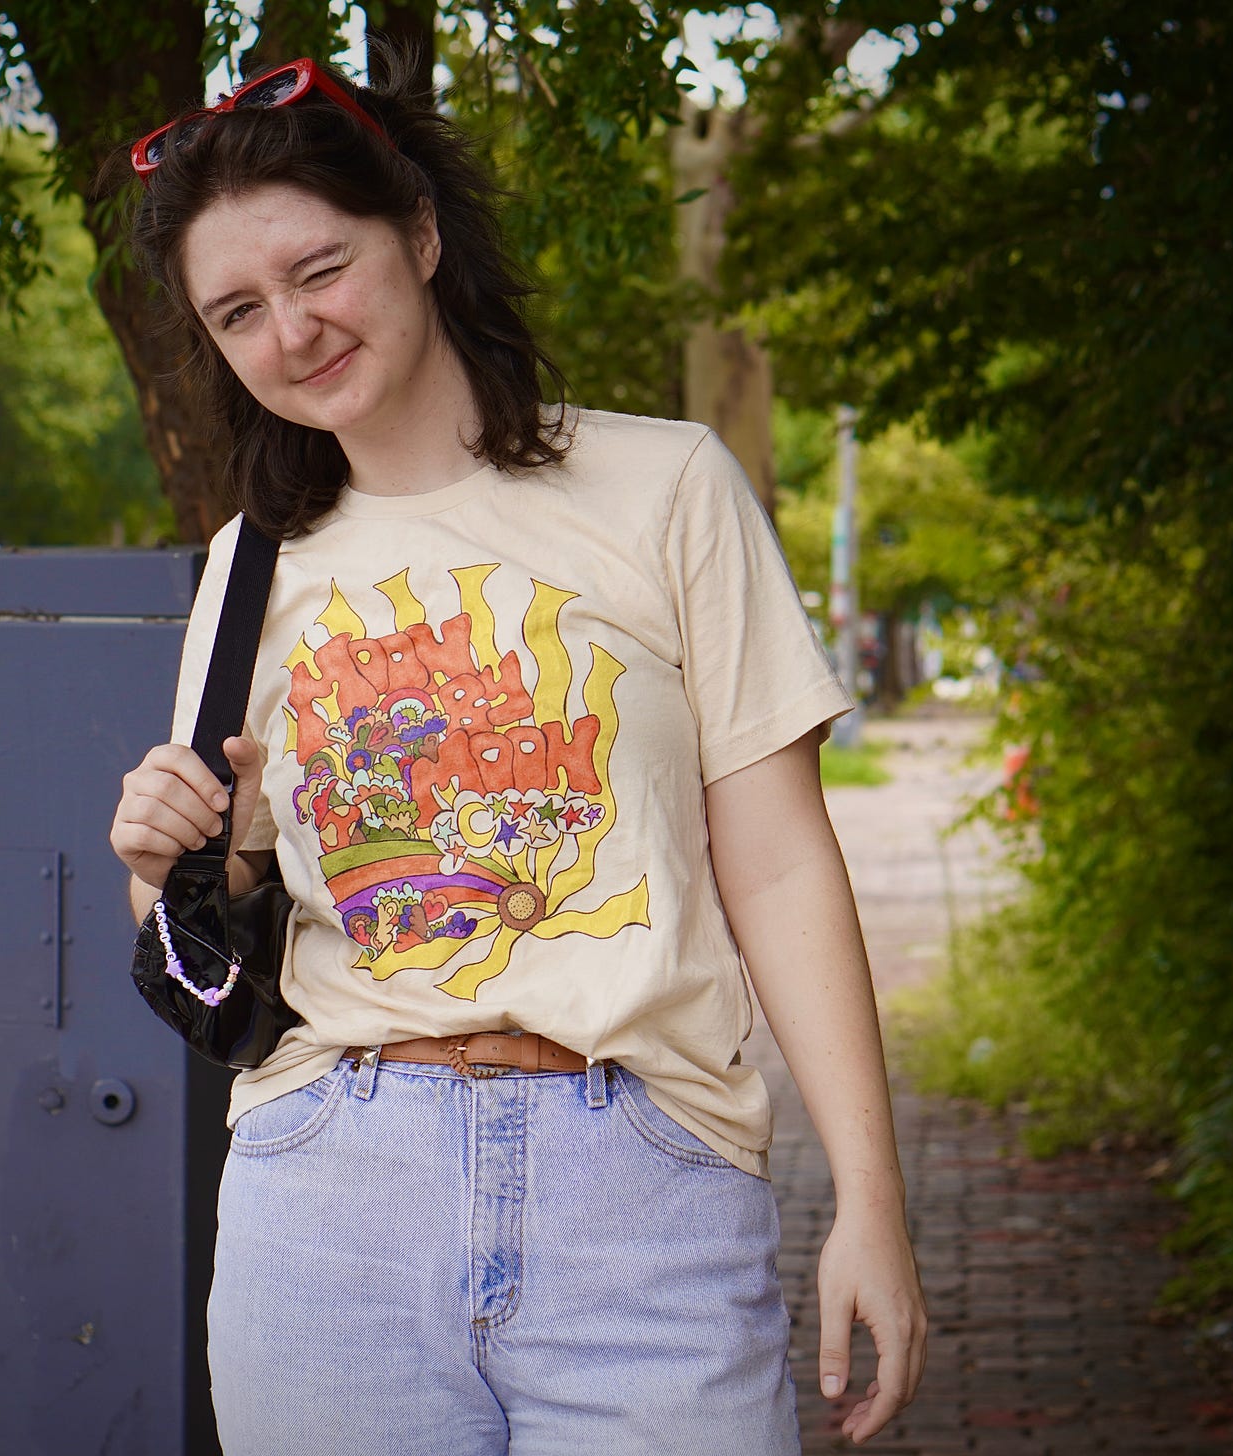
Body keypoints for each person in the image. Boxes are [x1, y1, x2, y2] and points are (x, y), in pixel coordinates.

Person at [109, 49, 926, 1456]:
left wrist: (873, 1196)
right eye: (238, 311)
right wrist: (172, 854)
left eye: (320, 270)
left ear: (417, 234)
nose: (292, 332)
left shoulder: (666, 486)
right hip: (329, 1195)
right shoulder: (250, 568)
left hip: (644, 1186)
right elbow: (206, 957)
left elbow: (781, 866)